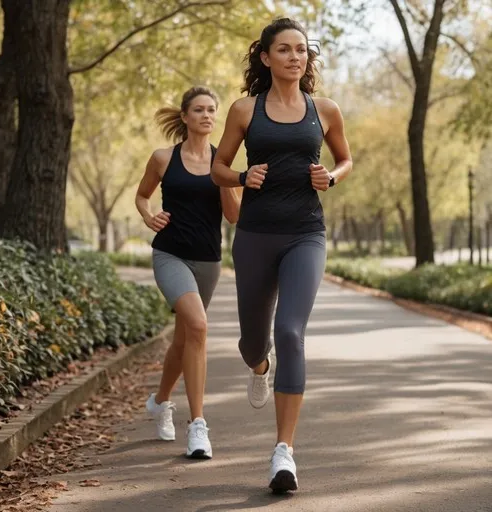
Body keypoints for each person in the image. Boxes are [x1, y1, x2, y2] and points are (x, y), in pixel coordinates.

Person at [211, 18, 353, 492]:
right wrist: (240, 178)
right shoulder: (245, 110)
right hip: (254, 235)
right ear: (266, 57)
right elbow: (218, 168)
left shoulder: (325, 109)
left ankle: (283, 453)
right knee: (254, 343)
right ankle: (259, 366)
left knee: (290, 331)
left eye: (302, 50)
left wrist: (331, 176)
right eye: (285, 50)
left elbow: (346, 159)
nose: (296, 57)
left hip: (305, 234)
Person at [135, 86, 240, 460]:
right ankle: (198, 427)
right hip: (170, 255)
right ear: (185, 116)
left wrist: (225, 177)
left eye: (212, 110)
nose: (207, 115)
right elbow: (142, 195)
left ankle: (160, 402)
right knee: (197, 326)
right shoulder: (164, 158)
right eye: (199, 109)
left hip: (208, 261)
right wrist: (150, 217)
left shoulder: (221, 161)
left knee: (185, 340)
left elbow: (233, 216)